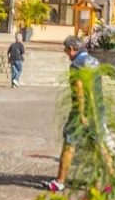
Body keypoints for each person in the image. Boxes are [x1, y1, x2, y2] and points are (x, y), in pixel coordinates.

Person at [43, 35, 100, 191]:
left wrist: (80, 113)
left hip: (82, 109)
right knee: (96, 146)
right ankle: (99, 183)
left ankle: (60, 181)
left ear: (72, 49)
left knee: (69, 143)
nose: (66, 53)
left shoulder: (76, 65)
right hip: (98, 108)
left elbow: (79, 90)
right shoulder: (94, 61)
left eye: (66, 50)